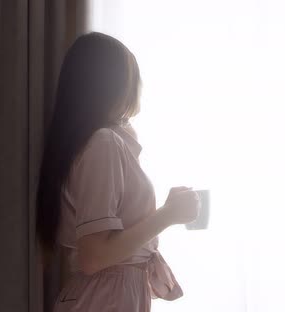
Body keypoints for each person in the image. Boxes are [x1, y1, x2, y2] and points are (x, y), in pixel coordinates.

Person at [36, 32, 200, 311]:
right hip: (105, 296)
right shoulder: (104, 143)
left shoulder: (106, 141)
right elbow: (94, 257)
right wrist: (169, 214)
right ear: (112, 84)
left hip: (108, 294)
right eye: (132, 74)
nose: (139, 85)